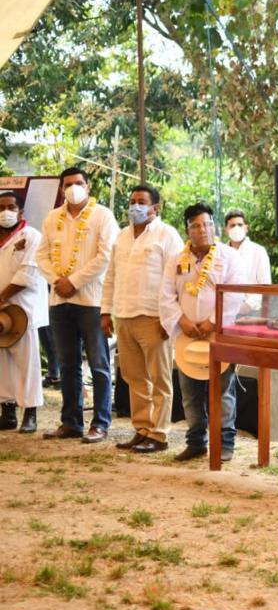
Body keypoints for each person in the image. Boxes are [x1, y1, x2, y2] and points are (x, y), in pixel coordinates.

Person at [36, 167, 119, 443]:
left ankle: (101, 423)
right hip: (59, 300)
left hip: (92, 300)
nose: (73, 188)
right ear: (62, 190)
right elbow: (42, 255)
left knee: (98, 363)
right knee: (67, 363)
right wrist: (57, 280)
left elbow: (105, 256)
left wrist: (74, 280)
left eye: (78, 183)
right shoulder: (51, 218)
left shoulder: (103, 216)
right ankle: (71, 422)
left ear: (88, 186)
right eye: (68, 184)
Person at [101, 184, 184, 453]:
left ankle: (159, 435)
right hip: (124, 315)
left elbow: (176, 280)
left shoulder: (167, 235)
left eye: (141, 202)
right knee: (133, 376)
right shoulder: (122, 237)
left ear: (155, 207)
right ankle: (142, 429)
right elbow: (111, 276)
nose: (135, 206)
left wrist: (168, 318)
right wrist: (105, 311)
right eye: (132, 201)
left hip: (154, 317)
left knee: (159, 378)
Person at [159, 202, 243, 462]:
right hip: (187, 335)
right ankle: (196, 442)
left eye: (207, 224)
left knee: (223, 391)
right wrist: (181, 321)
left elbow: (234, 295)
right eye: (196, 225)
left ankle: (225, 442)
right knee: (190, 392)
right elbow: (165, 296)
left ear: (214, 226)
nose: (203, 230)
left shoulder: (229, 257)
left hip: (218, 334)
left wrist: (213, 322)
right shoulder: (176, 260)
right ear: (187, 230)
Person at [0, 191, 48, 433]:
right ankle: (7, 411)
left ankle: (30, 412)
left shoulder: (32, 236)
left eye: (10, 207)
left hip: (21, 308)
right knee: (1, 362)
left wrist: (2, 297)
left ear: (21, 212)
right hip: (0, 312)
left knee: (26, 361)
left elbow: (27, 274)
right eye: (1, 208)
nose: (5, 212)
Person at [224, 209, 271, 314]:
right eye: (232, 225)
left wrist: (247, 305)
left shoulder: (258, 251)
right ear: (225, 230)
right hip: (225, 311)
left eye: (240, 225)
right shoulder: (221, 253)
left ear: (246, 228)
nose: (236, 228)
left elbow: (266, 286)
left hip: (253, 312)